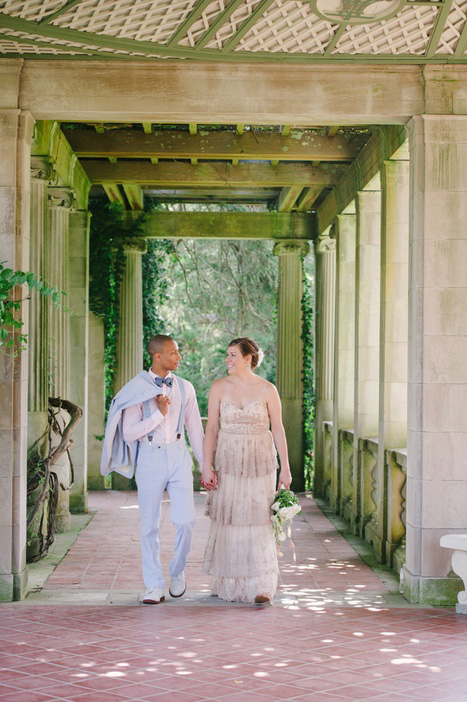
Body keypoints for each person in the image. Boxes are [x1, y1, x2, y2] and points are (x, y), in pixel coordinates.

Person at [100, 334, 204, 605]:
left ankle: (177, 571)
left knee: (186, 520)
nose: (178, 357)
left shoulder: (185, 388)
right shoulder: (136, 388)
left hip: (179, 456)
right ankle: (154, 585)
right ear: (157, 356)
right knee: (149, 525)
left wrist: (205, 468)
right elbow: (129, 432)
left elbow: (196, 430)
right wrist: (158, 414)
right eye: (173, 353)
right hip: (149, 457)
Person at [201, 337, 291, 605]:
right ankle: (231, 580)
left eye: (232, 356)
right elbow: (212, 429)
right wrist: (206, 466)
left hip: (259, 461)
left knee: (258, 516)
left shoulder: (267, 389)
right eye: (227, 355)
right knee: (231, 516)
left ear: (248, 359)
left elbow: (278, 428)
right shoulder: (218, 387)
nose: (227, 360)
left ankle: (261, 584)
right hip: (228, 459)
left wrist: (285, 468)